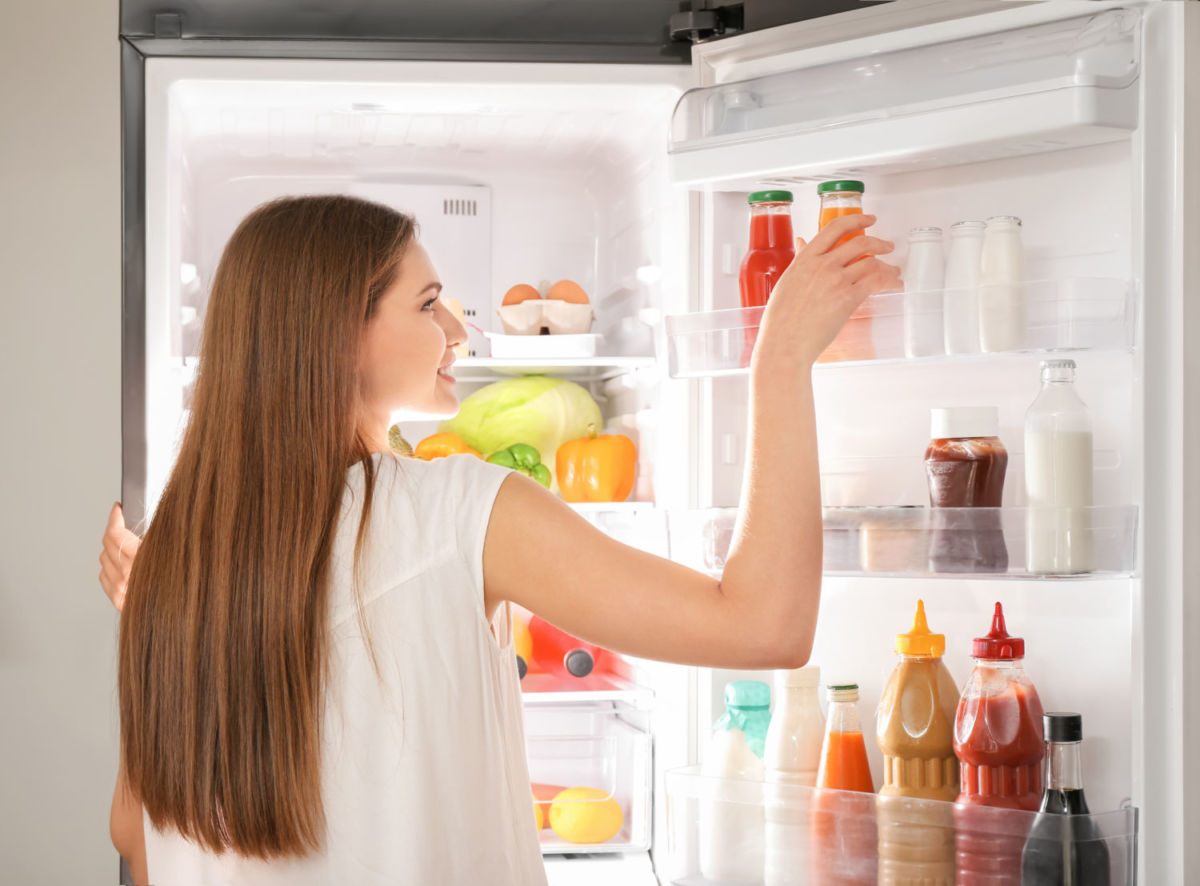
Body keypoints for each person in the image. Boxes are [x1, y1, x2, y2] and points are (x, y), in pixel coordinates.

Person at [97, 194, 898, 885]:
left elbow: (137, 836)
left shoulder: (172, 558)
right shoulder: (460, 511)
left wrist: (157, 619)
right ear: (338, 332)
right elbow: (764, 624)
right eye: (428, 304)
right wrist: (782, 358)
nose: (460, 329)